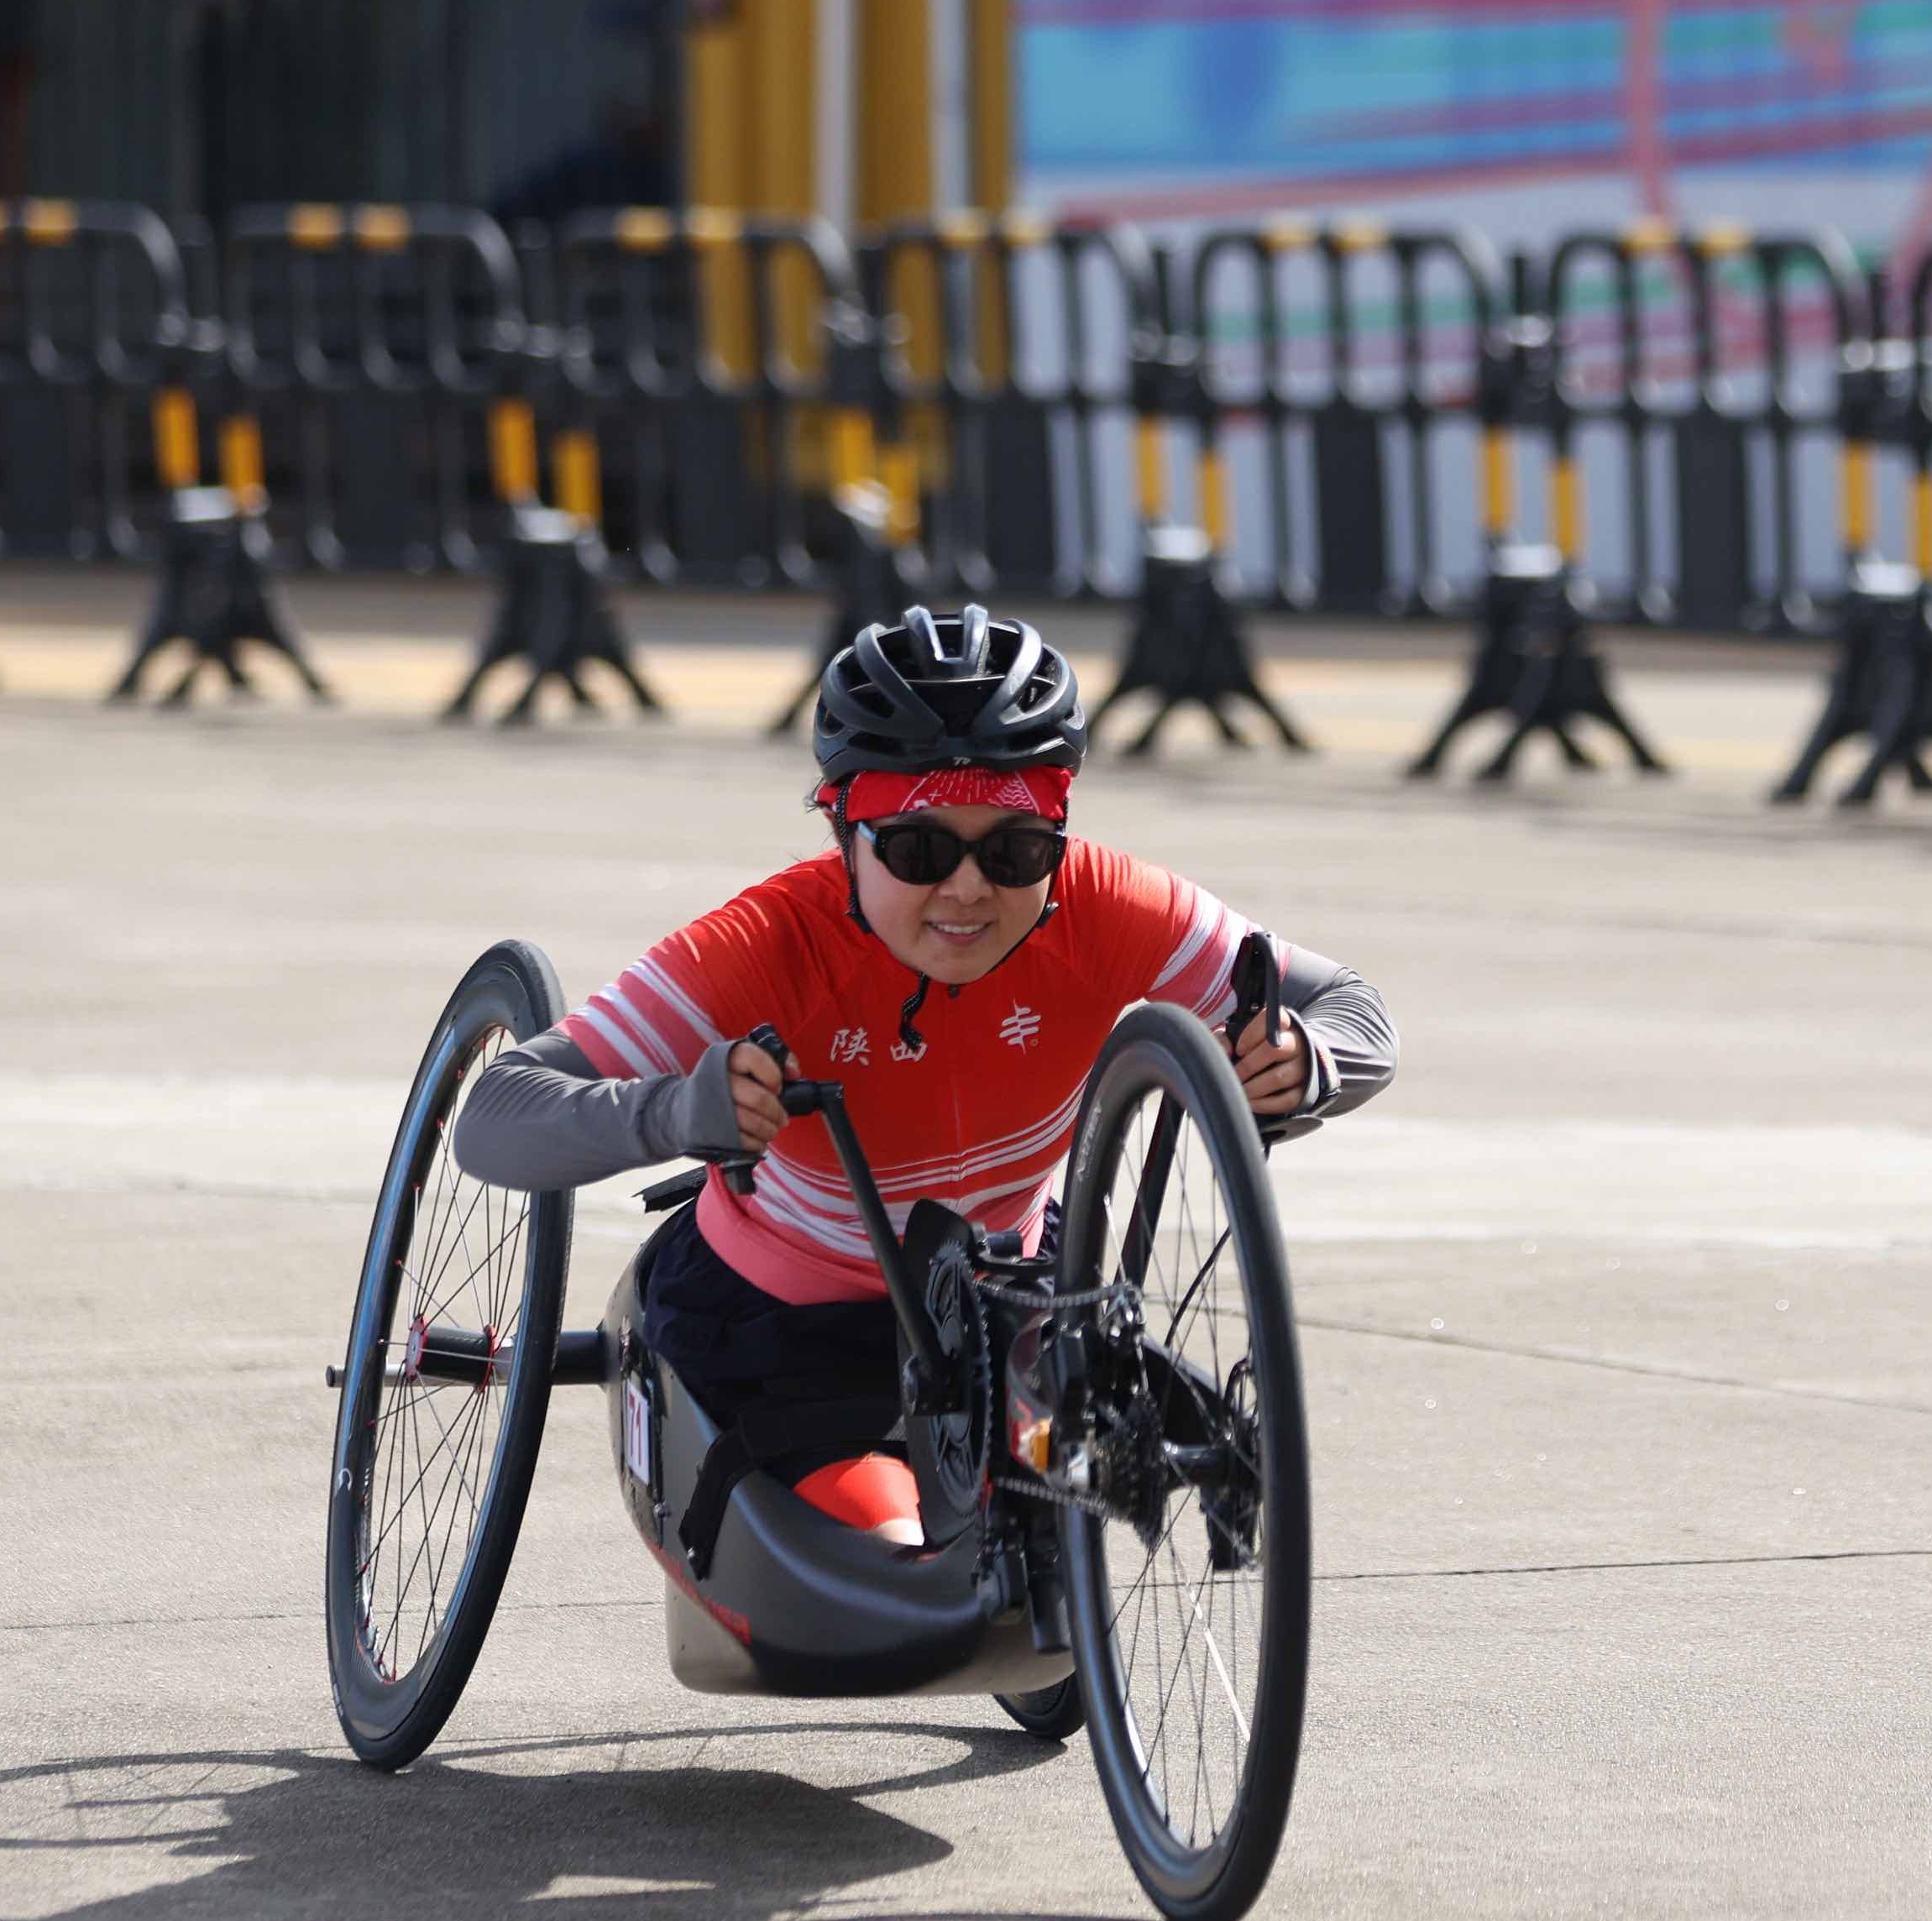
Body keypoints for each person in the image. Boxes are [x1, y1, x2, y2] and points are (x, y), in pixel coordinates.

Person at [450, 604, 1394, 1545]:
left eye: (1016, 849)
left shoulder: (1102, 902)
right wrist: (673, 1109)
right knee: (907, 1555)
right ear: (842, 833)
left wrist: (1306, 1062)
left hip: (1004, 1307)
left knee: (1065, 1520)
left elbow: (1353, 1008)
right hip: (786, 1328)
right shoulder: (774, 939)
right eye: (917, 849)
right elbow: (495, 1115)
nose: (969, 887)